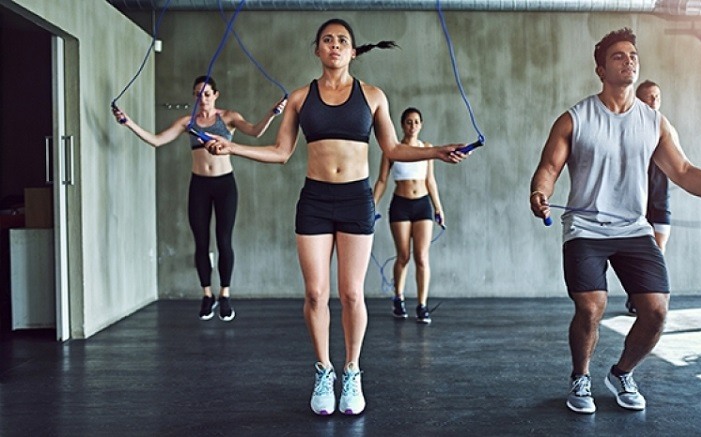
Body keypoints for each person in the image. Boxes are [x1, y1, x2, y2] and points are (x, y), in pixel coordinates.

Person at [204, 18, 467, 416]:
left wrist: (435, 151)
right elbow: (280, 152)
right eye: (327, 40)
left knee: (351, 294)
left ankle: (352, 370)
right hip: (315, 200)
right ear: (317, 50)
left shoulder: (374, 96)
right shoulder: (299, 98)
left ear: (353, 51)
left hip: (356, 199)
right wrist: (233, 148)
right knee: (314, 294)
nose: (334, 45)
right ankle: (324, 370)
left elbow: (392, 149)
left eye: (342, 40)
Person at [529, 28, 701, 414]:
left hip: (633, 228)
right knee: (591, 307)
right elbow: (548, 166)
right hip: (585, 228)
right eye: (618, 56)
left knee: (657, 310)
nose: (629, 60)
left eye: (633, 55)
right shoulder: (575, 118)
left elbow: (683, 171)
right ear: (600, 69)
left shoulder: (654, 122)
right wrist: (540, 192)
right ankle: (580, 376)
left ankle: (622, 372)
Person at [111, 76, 285, 322]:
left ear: (216, 95)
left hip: (225, 185)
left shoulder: (229, 118)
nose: (202, 98)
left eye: (206, 94)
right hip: (199, 186)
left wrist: (271, 114)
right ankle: (207, 295)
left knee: (224, 241)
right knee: (201, 242)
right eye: (197, 94)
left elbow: (255, 132)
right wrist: (128, 122)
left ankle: (224, 294)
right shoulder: (188, 122)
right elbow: (157, 140)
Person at [372, 107, 445, 324]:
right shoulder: (392, 149)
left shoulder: (427, 148)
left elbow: (430, 180)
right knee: (403, 255)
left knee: (422, 257)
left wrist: (439, 208)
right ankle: (398, 298)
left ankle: (422, 305)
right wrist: (371, 204)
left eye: (416, 122)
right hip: (400, 205)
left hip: (422, 206)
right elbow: (382, 180)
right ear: (402, 125)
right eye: (408, 122)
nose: (412, 126)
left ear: (421, 125)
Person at [625, 80, 673, 315]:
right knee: (639, 255)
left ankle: (646, 298)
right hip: (636, 206)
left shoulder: (665, 129)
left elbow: (682, 168)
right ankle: (636, 296)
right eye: (648, 97)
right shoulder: (630, 129)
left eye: (657, 96)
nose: (653, 101)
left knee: (658, 251)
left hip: (660, 203)